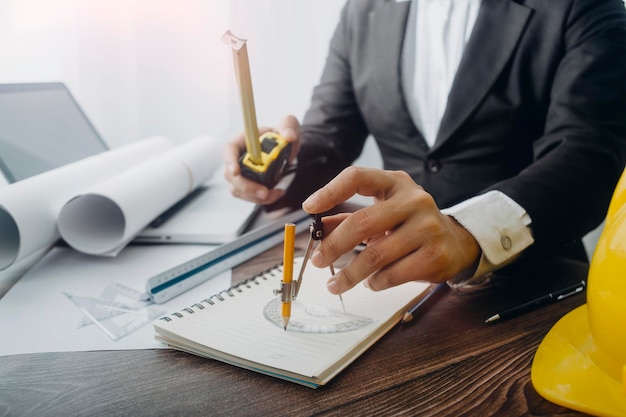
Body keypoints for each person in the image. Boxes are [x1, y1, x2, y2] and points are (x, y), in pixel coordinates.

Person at [223, 0, 626, 296]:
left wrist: (466, 232)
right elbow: (330, 136)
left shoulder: (582, 6)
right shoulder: (362, 10)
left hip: (525, 288)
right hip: (386, 288)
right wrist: (274, 160)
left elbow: (590, 153)